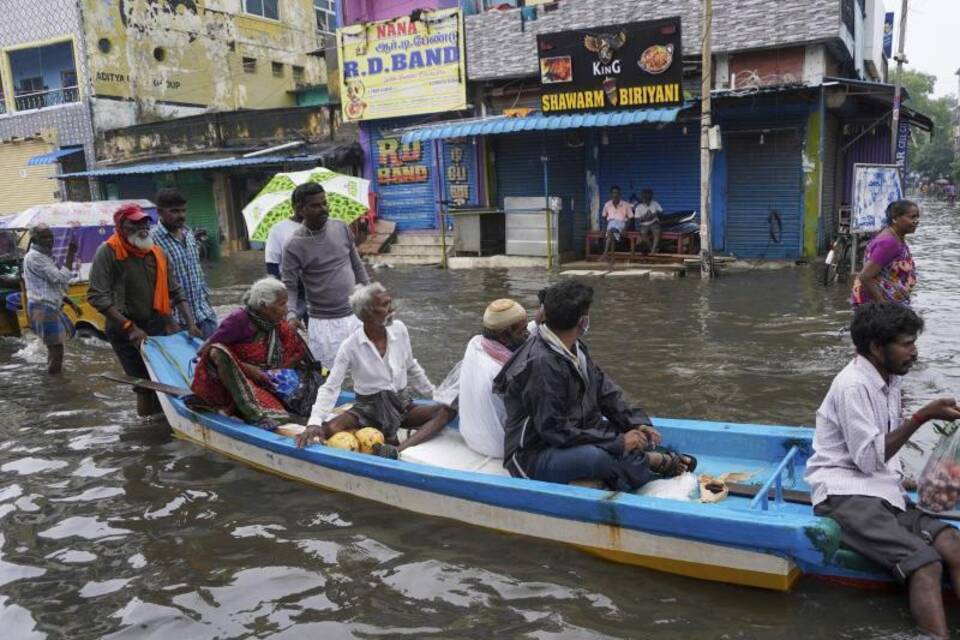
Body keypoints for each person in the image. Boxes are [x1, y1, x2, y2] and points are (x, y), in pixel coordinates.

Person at [805, 304, 960, 639]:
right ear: (877, 348)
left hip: (882, 492)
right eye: (906, 344)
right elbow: (867, 459)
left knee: (952, 543)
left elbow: (882, 456)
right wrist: (922, 417)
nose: (914, 353)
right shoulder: (853, 386)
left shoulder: (888, 379)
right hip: (845, 495)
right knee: (926, 563)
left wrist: (907, 478)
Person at [493, 280, 696, 490]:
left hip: (574, 433)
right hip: (535, 453)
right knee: (596, 457)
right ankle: (652, 462)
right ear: (582, 321)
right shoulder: (541, 364)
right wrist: (619, 442)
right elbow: (554, 430)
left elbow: (604, 389)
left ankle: (622, 468)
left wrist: (635, 422)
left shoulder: (575, 347)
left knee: (626, 434)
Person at [296, 283, 455, 458]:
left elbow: (411, 366)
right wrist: (314, 422)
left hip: (401, 405)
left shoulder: (400, 329)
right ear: (367, 314)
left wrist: (435, 395)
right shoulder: (350, 346)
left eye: (390, 302)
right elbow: (331, 387)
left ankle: (396, 449)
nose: (392, 308)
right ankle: (386, 439)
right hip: (368, 409)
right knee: (331, 428)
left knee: (448, 410)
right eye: (385, 305)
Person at [88, 203, 202, 416]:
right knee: (145, 386)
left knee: (168, 380)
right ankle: (147, 434)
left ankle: (167, 428)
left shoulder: (157, 253)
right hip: (124, 328)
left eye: (144, 223)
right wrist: (130, 328)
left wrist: (191, 324)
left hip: (156, 324)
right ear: (121, 226)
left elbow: (176, 291)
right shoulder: (108, 252)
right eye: (135, 224)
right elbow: (97, 296)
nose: (142, 228)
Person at [190, 278, 310, 430]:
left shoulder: (273, 322)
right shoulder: (239, 320)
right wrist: (248, 369)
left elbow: (294, 352)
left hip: (264, 379)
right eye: (281, 304)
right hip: (236, 381)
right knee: (218, 351)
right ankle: (254, 415)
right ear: (263, 306)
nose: (286, 310)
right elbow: (205, 351)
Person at [281, 183, 369, 366]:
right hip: (323, 324)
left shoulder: (341, 228)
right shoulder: (293, 245)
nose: (323, 209)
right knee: (327, 376)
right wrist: (291, 314)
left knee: (369, 369)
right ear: (300, 209)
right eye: (315, 205)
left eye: (324, 203)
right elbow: (289, 286)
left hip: (355, 316)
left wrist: (371, 296)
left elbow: (357, 266)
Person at [457, 299, 530, 458]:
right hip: (499, 447)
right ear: (504, 336)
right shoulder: (504, 372)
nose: (528, 334)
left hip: (470, 436)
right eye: (522, 331)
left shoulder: (475, 344)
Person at [151, 188, 219, 339]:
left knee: (215, 359)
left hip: (204, 315)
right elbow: (154, 287)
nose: (181, 216)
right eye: (174, 211)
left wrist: (208, 306)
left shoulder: (189, 234)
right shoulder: (152, 241)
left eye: (183, 211)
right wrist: (169, 322)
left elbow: (198, 275)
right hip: (177, 321)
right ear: (159, 212)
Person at [22, 225, 83, 375]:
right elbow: (60, 278)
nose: (49, 240)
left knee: (55, 348)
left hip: (47, 306)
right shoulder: (35, 257)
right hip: (42, 307)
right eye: (44, 237)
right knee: (56, 349)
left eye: (50, 237)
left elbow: (51, 286)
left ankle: (53, 379)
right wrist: (70, 254)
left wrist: (70, 302)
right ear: (35, 239)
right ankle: (55, 384)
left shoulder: (44, 256)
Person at [851, 200, 919, 307]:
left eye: (917, 217)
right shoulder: (889, 242)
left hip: (891, 301)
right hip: (877, 306)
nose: (916, 221)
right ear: (895, 218)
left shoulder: (896, 237)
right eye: (912, 217)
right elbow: (865, 276)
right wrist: (883, 305)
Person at [601, 186, 633, 264]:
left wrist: (625, 229)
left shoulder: (626, 204)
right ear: (611, 194)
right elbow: (604, 218)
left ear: (620, 194)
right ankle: (611, 257)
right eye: (613, 193)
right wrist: (603, 229)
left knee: (610, 233)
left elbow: (630, 218)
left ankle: (605, 253)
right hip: (611, 224)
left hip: (621, 224)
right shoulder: (607, 204)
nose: (615, 195)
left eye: (617, 193)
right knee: (611, 234)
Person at [633, 188, 663, 254]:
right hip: (644, 224)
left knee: (657, 231)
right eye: (645, 197)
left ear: (650, 197)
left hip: (654, 222)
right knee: (643, 233)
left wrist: (654, 214)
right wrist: (644, 218)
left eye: (648, 197)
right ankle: (652, 249)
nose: (647, 199)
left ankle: (652, 251)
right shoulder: (639, 206)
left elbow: (661, 212)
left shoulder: (655, 203)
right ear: (643, 198)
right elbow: (637, 219)